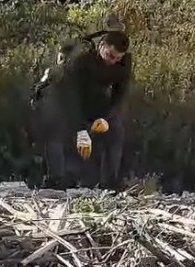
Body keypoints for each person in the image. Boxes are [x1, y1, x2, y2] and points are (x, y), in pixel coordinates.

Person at [32, 30, 133, 189]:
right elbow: (70, 98)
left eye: (117, 58)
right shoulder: (81, 59)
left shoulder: (124, 62)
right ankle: (55, 179)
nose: (113, 61)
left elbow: (120, 95)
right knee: (57, 128)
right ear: (101, 46)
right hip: (62, 94)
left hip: (93, 97)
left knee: (116, 130)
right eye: (110, 55)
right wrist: (80, 130)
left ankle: (109, 183)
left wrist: (105, 118)